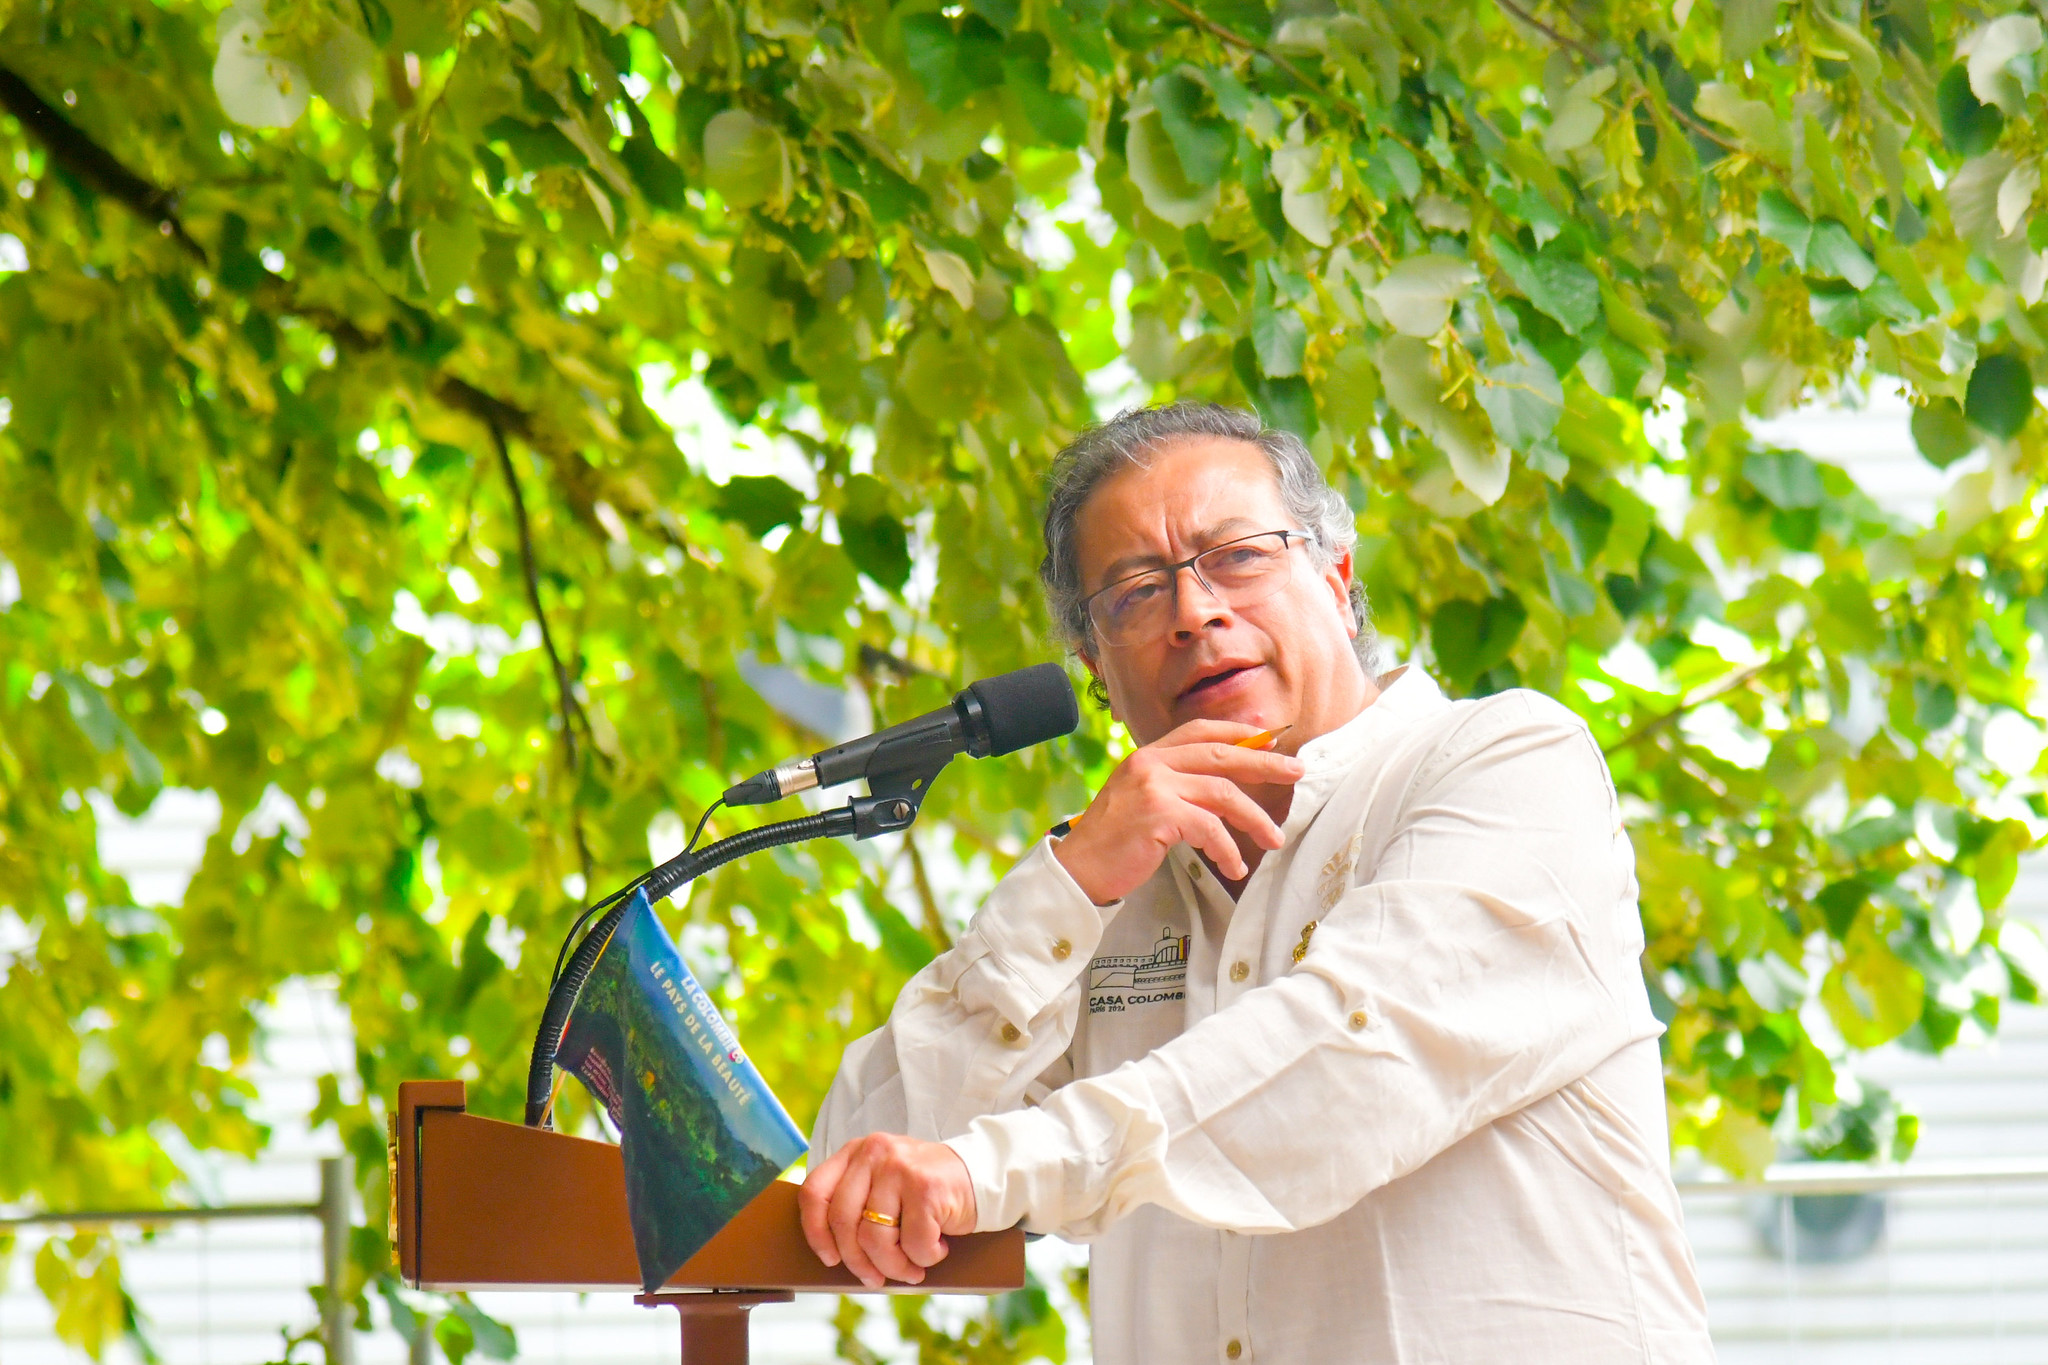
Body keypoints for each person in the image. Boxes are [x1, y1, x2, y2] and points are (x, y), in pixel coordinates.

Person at [800, 403, 1714, 1363]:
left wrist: (986, 1169)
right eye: (1136, 593)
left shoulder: (1507, 760)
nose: (1193, 612)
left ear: (1337, 577)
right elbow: (857, 1173)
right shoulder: (1105, 888)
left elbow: (1350, 1057)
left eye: (1236, 555)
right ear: (1096, 673)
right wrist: (1067, 882)